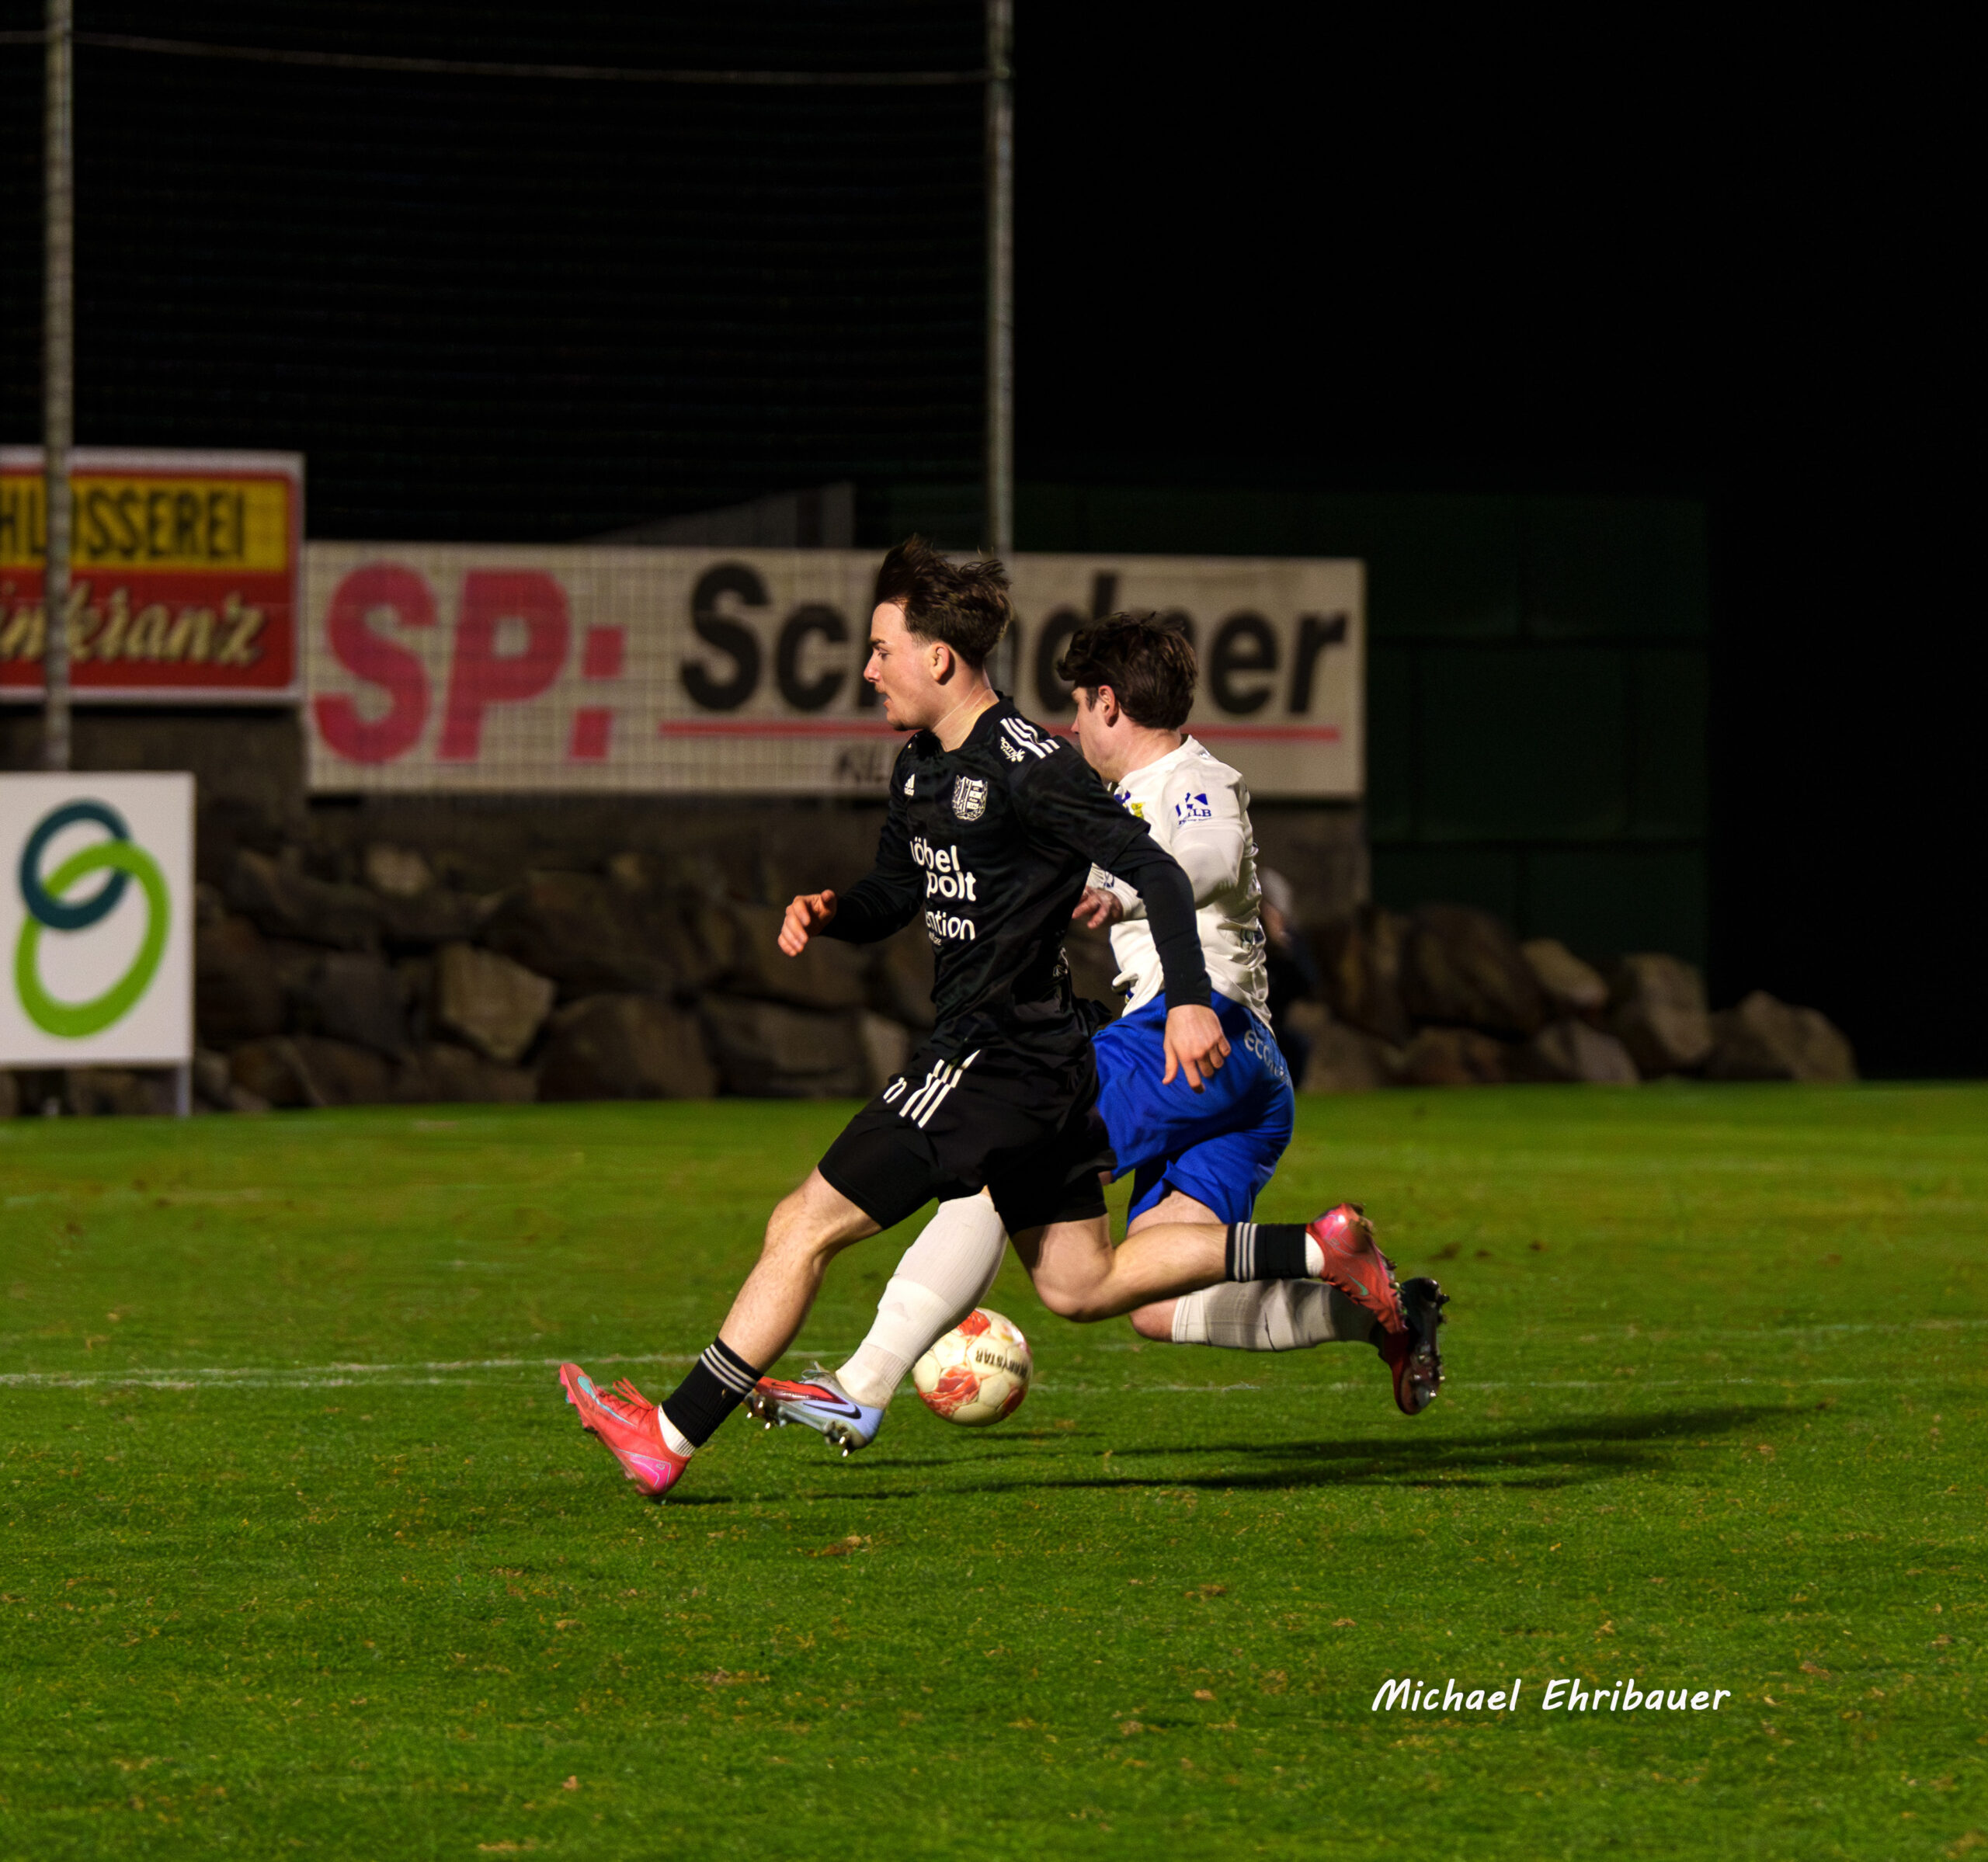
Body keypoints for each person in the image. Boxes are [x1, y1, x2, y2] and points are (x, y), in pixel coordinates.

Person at [558, 546, 1406, 1499]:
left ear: (939, 658)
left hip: (992, 1057)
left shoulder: (1034, 767)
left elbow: (1167, 869)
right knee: (1079, 1285)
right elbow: (895, 889)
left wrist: (1183, 1002)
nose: (868, 669)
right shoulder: (919, 767)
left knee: (803, 1222)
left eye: (882, 650)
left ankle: (680, 1431)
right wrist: (837, 911)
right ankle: (1312, 1252)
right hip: (1039, 1066)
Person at [748, 613, 1446, 1456]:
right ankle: (1374, 1310)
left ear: (1109, 703)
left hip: (1197, 1033)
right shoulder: (1103, 800)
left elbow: (1206, 856)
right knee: (1148, 1298)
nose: (1073, 728)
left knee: (1001, 1157)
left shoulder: (1192, 779)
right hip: (1242, 1081)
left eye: (1080, 707)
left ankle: (863, 1384)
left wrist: (1125, 894)